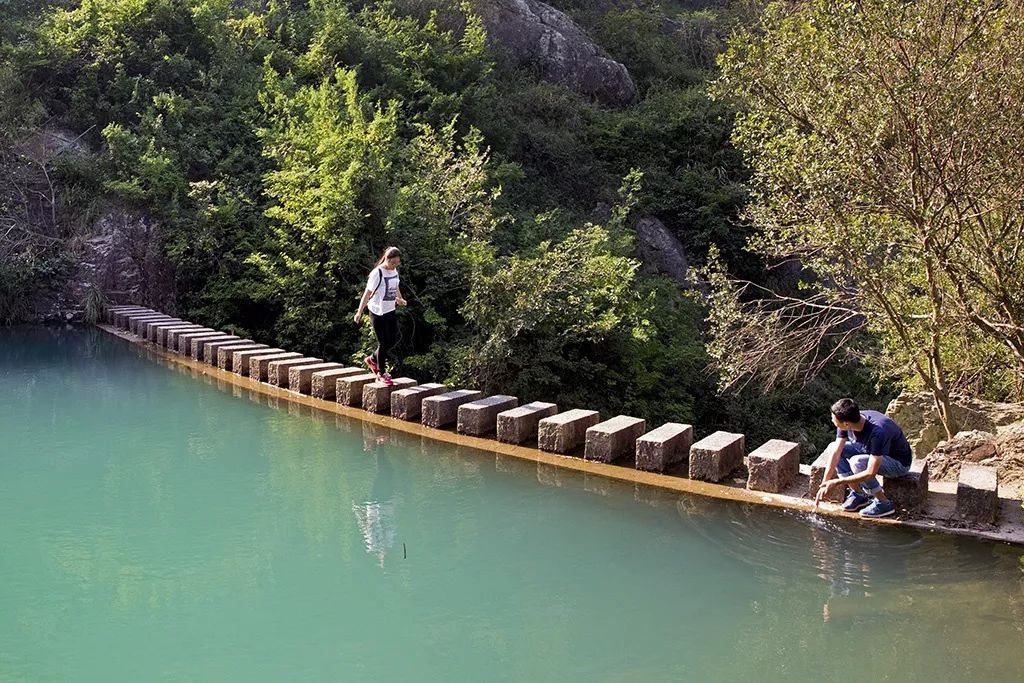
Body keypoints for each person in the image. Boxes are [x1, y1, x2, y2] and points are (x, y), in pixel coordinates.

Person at [813, 398, 913, 518]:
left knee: (858, 463)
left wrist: (837, 482)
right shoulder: (850, 419)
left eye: (833, 420)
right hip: (868, 451)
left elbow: (870, 473)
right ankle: (859, 494)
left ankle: (883, 503)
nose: (832, 421)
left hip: (898, 463)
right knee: (833, 447)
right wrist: (825, 483)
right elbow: (836, 452)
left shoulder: (878, 431)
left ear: (846, 424)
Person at [353, 247, 406, 386]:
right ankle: (381, 373)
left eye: (397, 263)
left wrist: (399, 299)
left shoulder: (394, 271)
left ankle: (372, 359)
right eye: (393, 262)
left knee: (393, 339)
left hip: (390, 310)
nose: (395, 265)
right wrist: (359, 312)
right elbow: (367, 293)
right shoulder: (377, 273)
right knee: (383, 342)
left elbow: (396, 286)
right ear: (387, 259)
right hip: (377, 311)